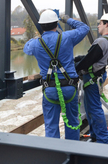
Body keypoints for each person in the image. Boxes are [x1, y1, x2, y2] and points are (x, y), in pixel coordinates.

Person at [23, 9, 89, 140]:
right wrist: (66, 19)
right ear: (56, 24)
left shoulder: (36, 44)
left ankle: (55, 156)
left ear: (41, 26)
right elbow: (84, 28)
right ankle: (73, 154)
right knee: (72, 123)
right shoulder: (67, 37)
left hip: (50, 90)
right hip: (69, 88)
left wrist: (36, 37)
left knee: (51, 126)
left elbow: (26, 47)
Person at [74, 13, 108, 144]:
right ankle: (95, 135)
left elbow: (88, 61)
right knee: (90, 107)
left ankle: (103, 139)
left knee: (94, 108)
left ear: (106, 24)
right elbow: (91, 56)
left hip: (92, 78)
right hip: (97, 76)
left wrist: (73, 68)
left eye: (100, 23)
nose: (98, 25)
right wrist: (77, 59)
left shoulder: (101, 42)